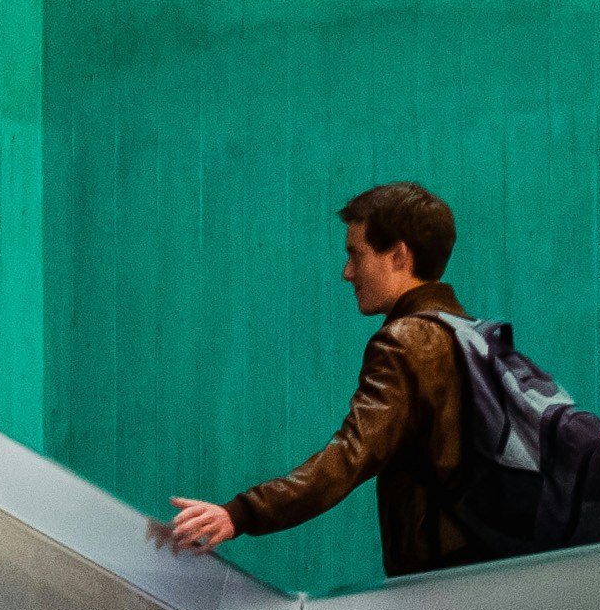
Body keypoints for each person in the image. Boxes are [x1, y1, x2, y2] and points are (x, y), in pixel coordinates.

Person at [160, 184, 480, 579]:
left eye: (355, 254)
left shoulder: (408, 342)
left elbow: (348, 458)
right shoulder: (468, 335)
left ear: (399, 256)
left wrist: (240, 513)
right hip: (485, 566)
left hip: (439, 579)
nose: (347, 273)